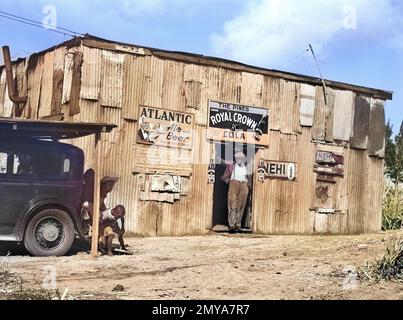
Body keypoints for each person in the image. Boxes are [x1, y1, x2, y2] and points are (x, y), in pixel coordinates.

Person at [221, 151, 252, 233]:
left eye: (241, 158)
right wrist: (227, 180)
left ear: (244, 159)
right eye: (237, 158)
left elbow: (249, 179)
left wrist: (248, 186)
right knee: (232, 205)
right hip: (233, 185)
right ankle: (232, 225)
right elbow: (224, 176)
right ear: (235, 158)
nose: (239, 159)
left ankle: (238, 225)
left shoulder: (247, 167)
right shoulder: (231, 166)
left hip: (243, 185)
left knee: (240, 206)